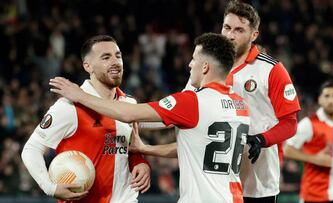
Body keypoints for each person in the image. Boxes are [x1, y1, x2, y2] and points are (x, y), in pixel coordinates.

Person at [50, 33, 250, 203]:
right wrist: (146, 150)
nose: (190, 64)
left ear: (205, 67)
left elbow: (128, 114)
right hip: (233, 197)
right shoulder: (241, 106)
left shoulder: (191, 102)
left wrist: (80, 96)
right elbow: (197, 147)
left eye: (194, 59)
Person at [139, 1, 301, 202]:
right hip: (214, 183)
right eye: (227, 27)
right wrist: (132, 122)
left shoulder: (271, 70)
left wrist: (261, 139)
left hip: (258, 184)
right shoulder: (205, 67)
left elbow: (290, 123)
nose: (231, 35)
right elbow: (173, 115)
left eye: (239, 30)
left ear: (254, 35)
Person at [21, 35, 151, 202]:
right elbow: (31, 149)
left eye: (118, 56)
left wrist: (139, 161)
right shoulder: (69, 107)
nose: (115, 62)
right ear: (87, 66)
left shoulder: (128, 103)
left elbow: (126, 146)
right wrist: (50, 187)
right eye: (106, 57)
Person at [284, 80, 333, 203]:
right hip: (313, 194)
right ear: (320, 99)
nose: (331, 100)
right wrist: (314, 159)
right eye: (327, 96)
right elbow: (287, 150)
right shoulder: (308, 124)